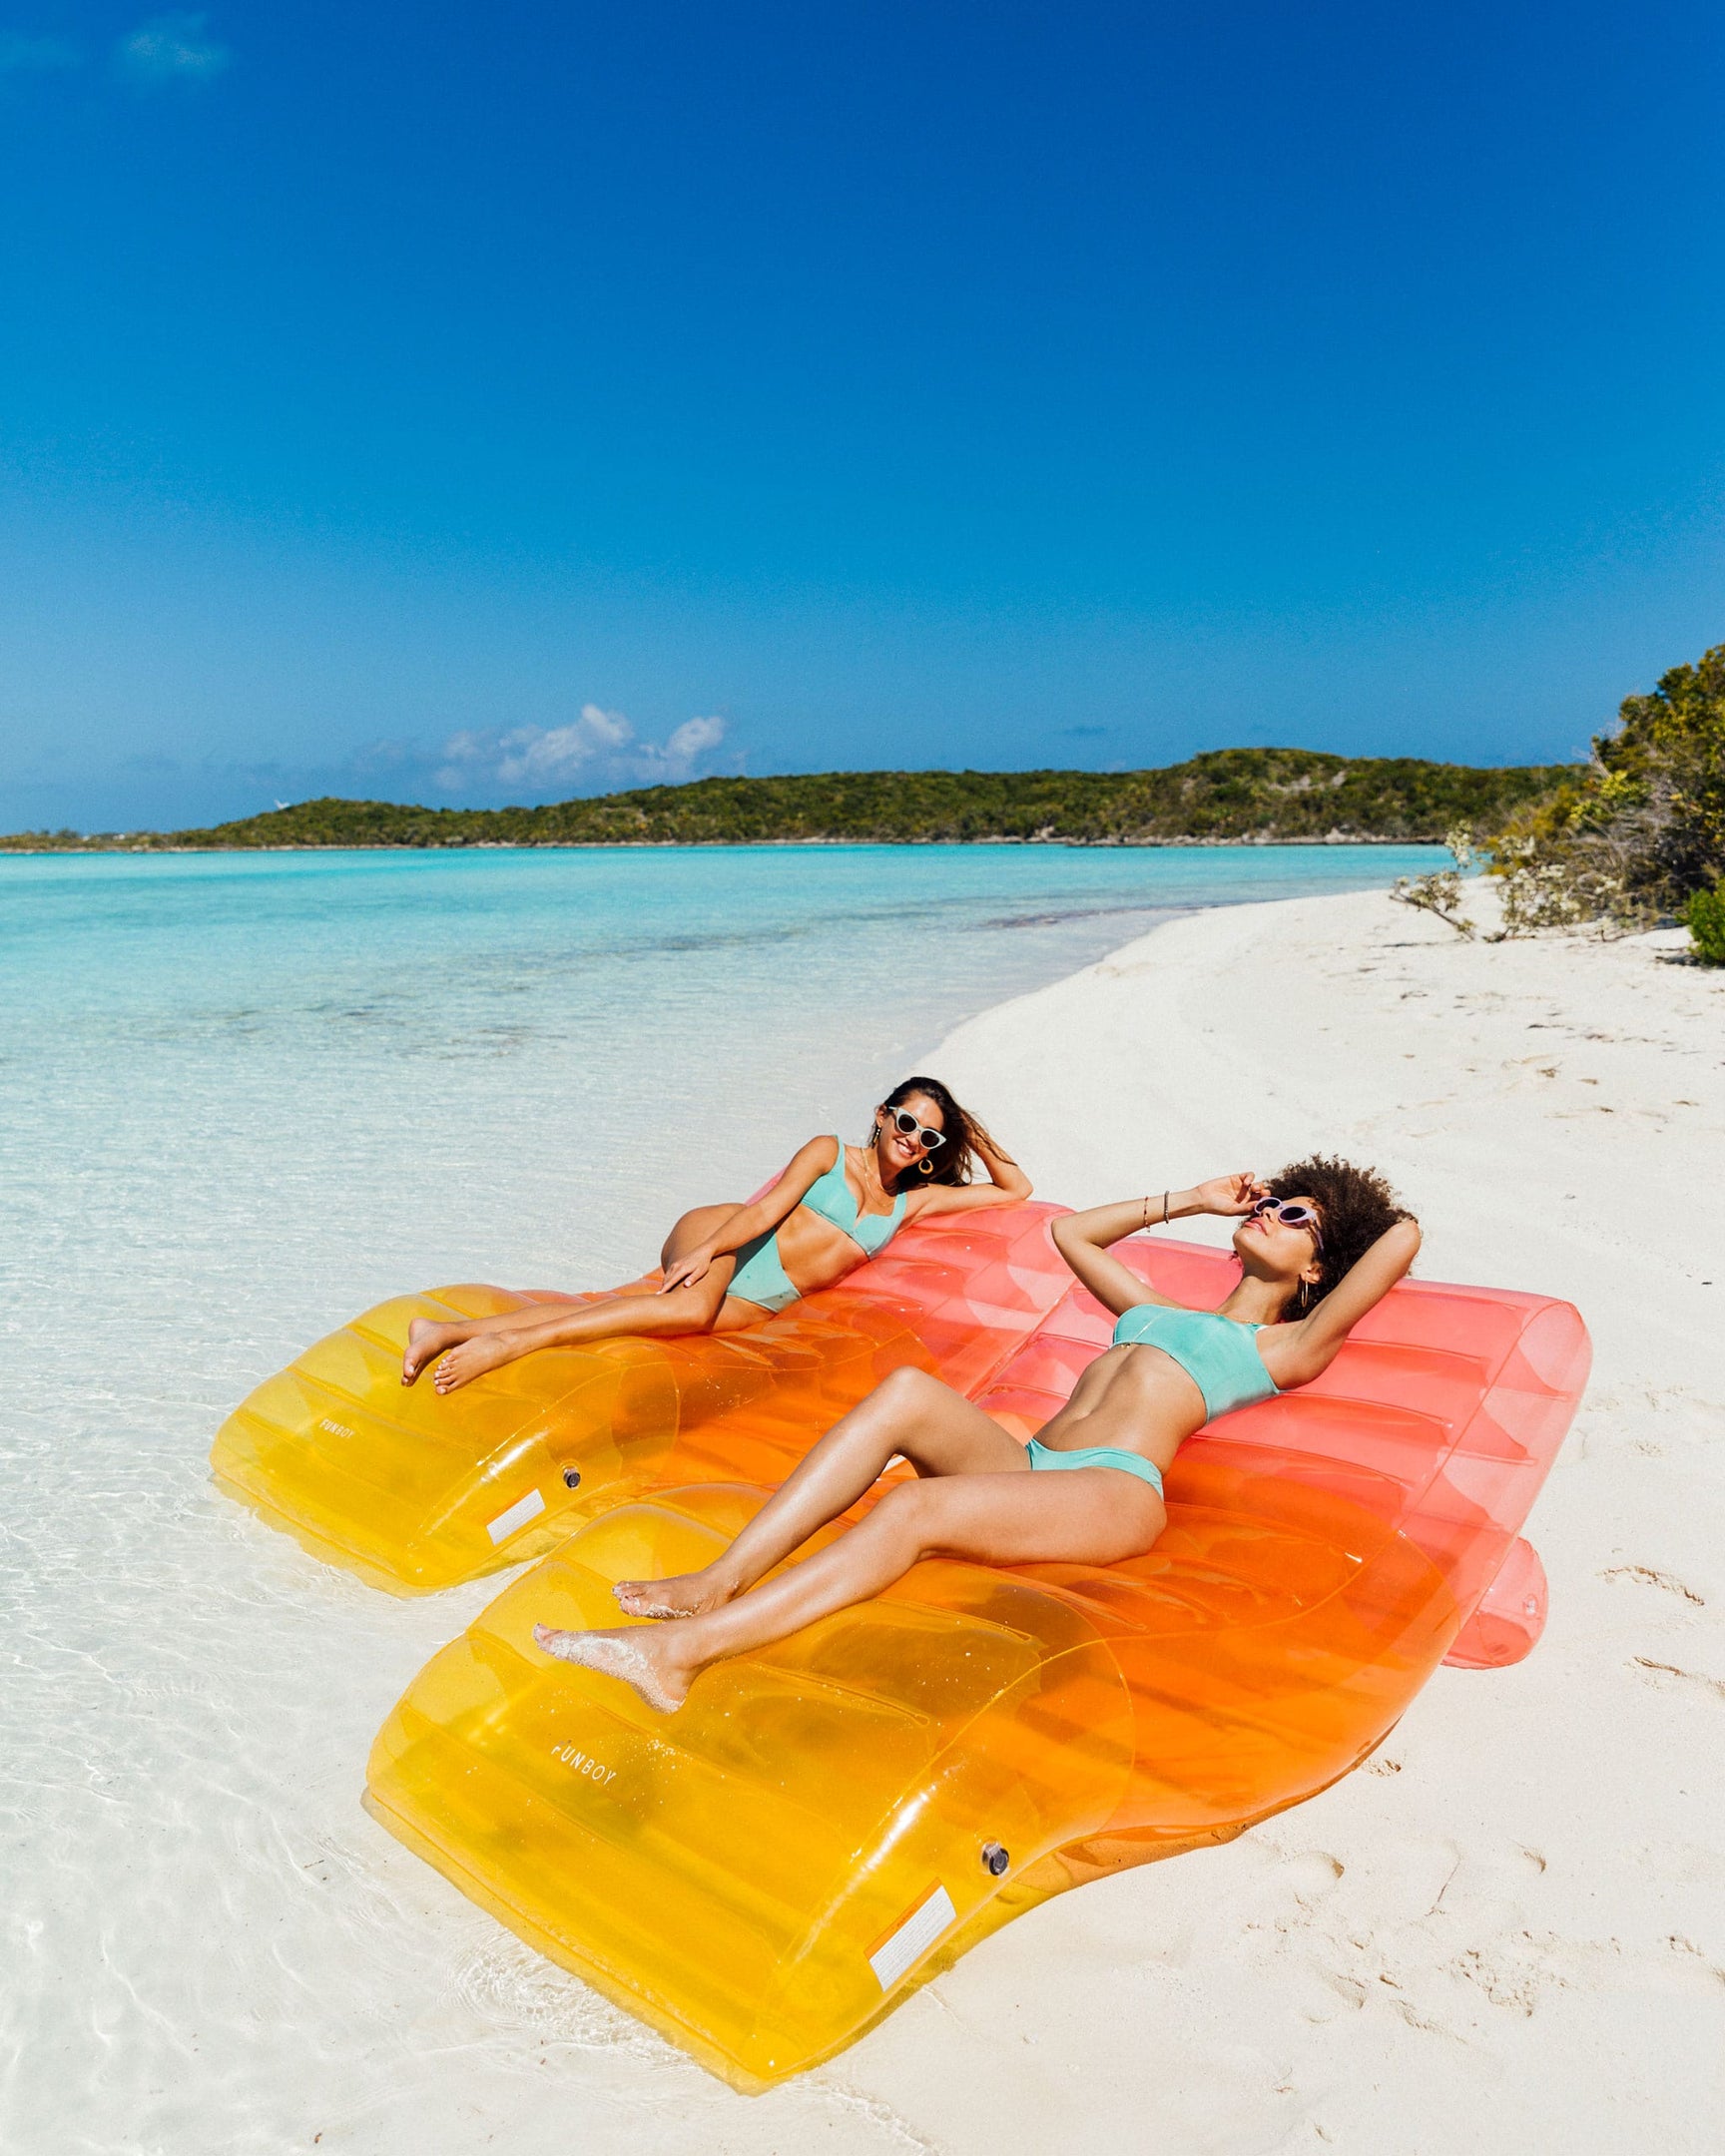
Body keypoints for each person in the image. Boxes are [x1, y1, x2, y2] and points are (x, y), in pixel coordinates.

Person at [533, 1157, 1420, 1712]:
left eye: (1297, 1218)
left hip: (1112, 1493)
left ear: (1317, 1271)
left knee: (915, 1510)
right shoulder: (1158, 1312)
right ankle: (717, 1582)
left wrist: (1348, 1209)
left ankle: (678, 1654)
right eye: (1275, 1202)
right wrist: (1188, 1199)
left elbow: (1401, 1239)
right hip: (1034, 1466)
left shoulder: (1285, 1348)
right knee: (909, 1392)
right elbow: (1070, 1233)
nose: (1272, 1212)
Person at [402, 1076, 1030, 1393]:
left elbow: (1014, 1189)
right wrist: (707, 1250)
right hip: (729, 1238)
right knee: (682, 1306)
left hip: (759, 1302)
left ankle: (446, 1331)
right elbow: (763, 1212)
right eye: (905, 1119)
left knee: (637, 1317)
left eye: (929, 1136)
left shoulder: (914, 1202)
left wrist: (965, 1128)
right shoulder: (828, 1151)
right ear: (881, 1114)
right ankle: (505, 1348)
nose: (912, 1136)